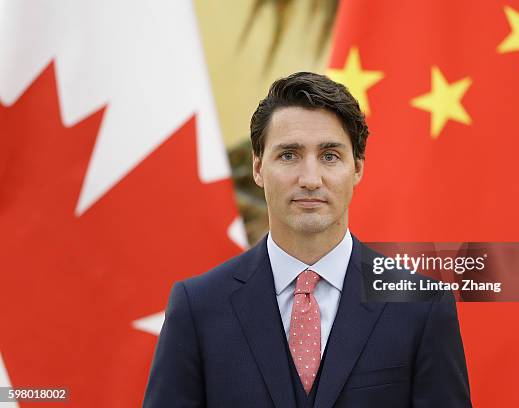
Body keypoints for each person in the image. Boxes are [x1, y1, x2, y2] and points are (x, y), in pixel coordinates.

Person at [143, 72, 471, 407]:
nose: (310, 179)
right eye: (289, 155)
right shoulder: (197, 308)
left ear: (357, 168)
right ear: (258, 167)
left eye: (330, 156)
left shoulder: (422, 307)